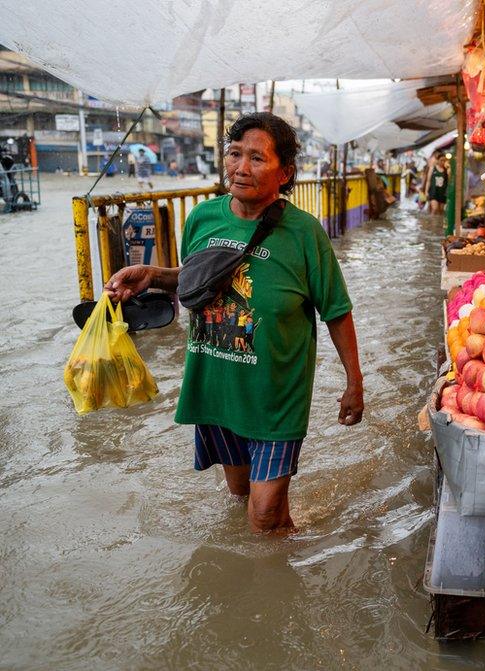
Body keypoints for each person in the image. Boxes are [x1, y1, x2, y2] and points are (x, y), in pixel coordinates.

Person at [105, 112, 364, 534]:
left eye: (257, 158)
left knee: (260, 516)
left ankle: (277, 589)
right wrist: (153, 275)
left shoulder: (304, 234)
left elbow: (336, 309)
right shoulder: (202, 219)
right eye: (234, 154)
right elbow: (197, 279)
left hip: (276, 396)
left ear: (286, 174)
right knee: (243, 495)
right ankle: (285, 552)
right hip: (217, 388)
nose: (241, 168)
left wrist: (354, 382)